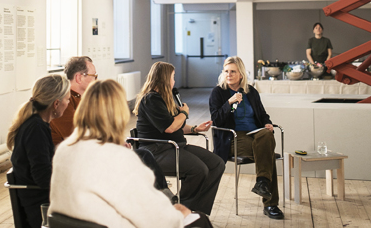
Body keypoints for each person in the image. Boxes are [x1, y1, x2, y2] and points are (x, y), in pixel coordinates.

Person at [50, 80, 212, 228]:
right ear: (120, 114)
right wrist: (179, 213)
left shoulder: (64, 150)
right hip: (107, 223)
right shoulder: (120, 158)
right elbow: (156, 218)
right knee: (198, 220)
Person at [51, 56, 172, 198]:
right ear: (79, 78)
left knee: (143, 156)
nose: (96, 79)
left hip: (91, 155)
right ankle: (159, 200)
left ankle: (162, 197)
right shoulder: (65, 102)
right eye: (93, 75)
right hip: (79, 163)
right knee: (138, 162)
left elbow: (97, 132)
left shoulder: (84, 98)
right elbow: (77, 139)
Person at [134, 62, 224, 215]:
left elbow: (178, 126)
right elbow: (170, 127)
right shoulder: (151, 100)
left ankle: (197, 211)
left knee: (217, 164)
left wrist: (195, 128)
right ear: (164, 79)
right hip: (156, 151)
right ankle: (179, 211)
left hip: (174, 146)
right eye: (172, 77)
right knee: (198, 170)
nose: (174, 81)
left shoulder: (165, 99)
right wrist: (185, 113)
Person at [209, 56, 285, 220]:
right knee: (267, 153)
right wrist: (229, 103)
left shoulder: (251, 91)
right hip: (233, 137)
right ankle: (270, 203)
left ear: (241, 74)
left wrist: (268, 124)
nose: (229, 74)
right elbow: (216, 120)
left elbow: (263, 115)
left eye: (233, 71)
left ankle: (262, 183)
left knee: (266, 135)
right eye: (226, 71)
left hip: (256, 134)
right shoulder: (218, 92)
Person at [7, 74, 71, 228]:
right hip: (41, 206)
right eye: (68, 99)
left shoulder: (37, 124)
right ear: (56, 103)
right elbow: (43, 176)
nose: (68, 103)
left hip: (42, 199)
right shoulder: (36, 128)